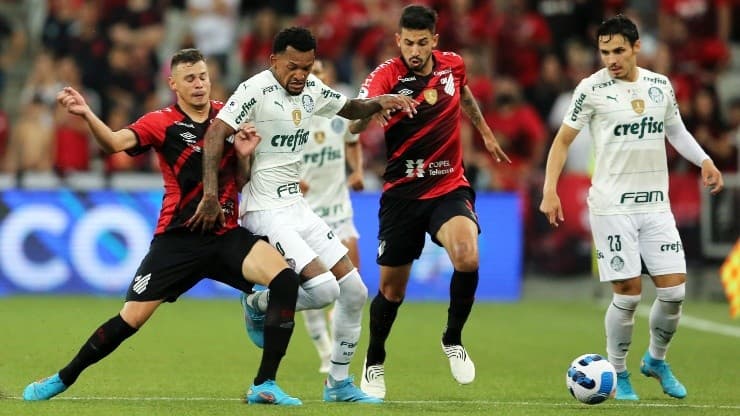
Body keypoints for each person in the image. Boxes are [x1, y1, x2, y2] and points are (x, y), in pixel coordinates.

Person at [23, 49, 304, 406]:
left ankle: (265, 384)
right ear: (173, 84)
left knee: (286, 280)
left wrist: (245, 154)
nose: (199, 83)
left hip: (224, 235)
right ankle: (62, 378)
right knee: (130, 320)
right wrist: (87, 114)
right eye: (190, 78)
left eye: (203, 76)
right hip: (178, 242)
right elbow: (113, 143)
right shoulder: (161, 122)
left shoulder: (229, 115)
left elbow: (243, 180)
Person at [190, 27, 417, 403]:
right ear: (273, 61)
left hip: (297, 208)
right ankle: (258, 303)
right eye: (293, 67)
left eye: (307, 67)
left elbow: (350, 108)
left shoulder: (311, 90)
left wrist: (382, 100)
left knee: (356, 291)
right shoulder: (253, 90)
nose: (301, 75)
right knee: (324, 289)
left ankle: (338, 385)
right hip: (264, 210)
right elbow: (215, 135)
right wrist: (212, 195)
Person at [539, 15, 724, 401]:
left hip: (656, 205)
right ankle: (619, 372)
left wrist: (704, 160)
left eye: (619, 50)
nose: (611, 59)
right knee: (628, 295)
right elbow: (561, 142)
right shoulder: (590, 89)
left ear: (637, 46)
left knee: (674, 293)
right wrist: (550, 190)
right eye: (604, 51)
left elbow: (675, 130)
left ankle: (656, 360)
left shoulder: (660, 86)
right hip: (611, 207)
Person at [348, 4, 510, 399]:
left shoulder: (453, 65)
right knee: (391, 292)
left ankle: (452, 339)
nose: (415, 50)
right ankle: (374, 361)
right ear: (398, 40)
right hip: (402, 194)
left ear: (434, 41)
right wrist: (379, 104)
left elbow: (465, 93)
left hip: (447, 186)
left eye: (422, 43)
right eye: (408, 43)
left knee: (468, 257)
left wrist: (485, 133)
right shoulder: (386, 75)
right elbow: (352, 123)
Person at [299, 59, 365, 374]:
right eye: (310, 73)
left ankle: (339, 354)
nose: (315, 77)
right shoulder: (292, 120)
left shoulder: (339, 116)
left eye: (319, 72)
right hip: (305, 215)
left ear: (326, 78)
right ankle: (325, 351)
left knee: (351, 285)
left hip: (339, 212)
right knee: (313, 287)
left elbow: (353, 142)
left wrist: (358, 170)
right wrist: (289, 179)